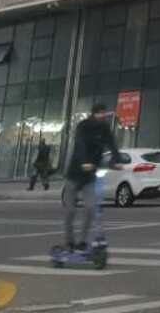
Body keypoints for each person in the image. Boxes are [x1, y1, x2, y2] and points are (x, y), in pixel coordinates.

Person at [62, 104, 118, 251]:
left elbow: (112, 144)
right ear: (93, 114)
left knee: (91, 208)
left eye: (104, 113)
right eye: (100, 113)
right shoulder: (83, 126)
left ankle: (82, 241)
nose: (103, 116)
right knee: (70, 210)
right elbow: (80, 145)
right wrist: (84, 162)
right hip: (74, 174)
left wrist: (116, 160)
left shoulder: (104, 128)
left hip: (89, 177)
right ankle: (69, 241)